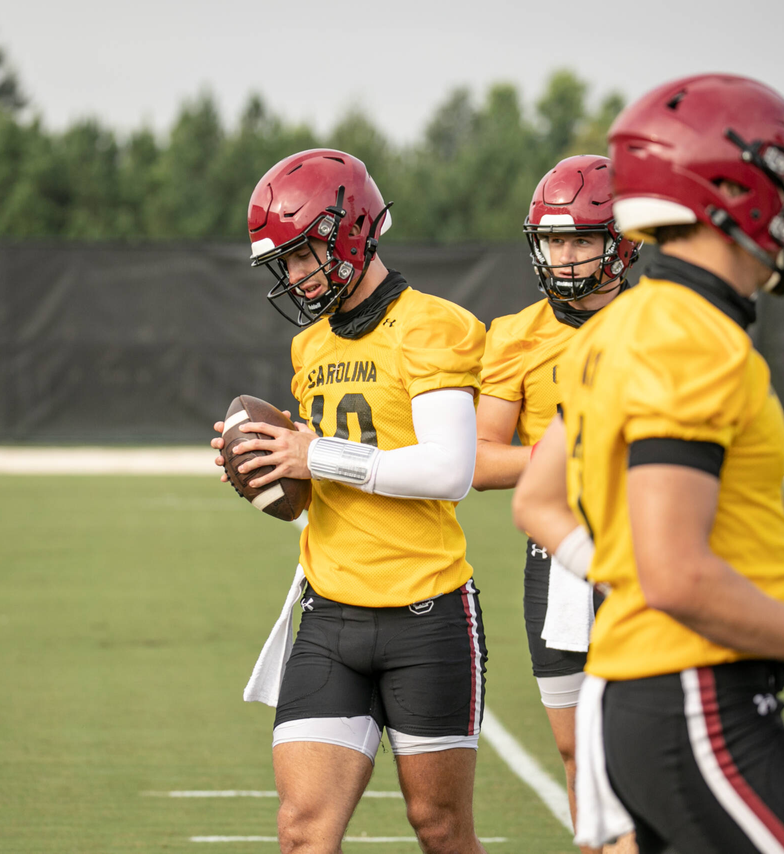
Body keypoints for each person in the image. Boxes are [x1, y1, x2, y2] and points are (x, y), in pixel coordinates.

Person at [513, 73, 784, 854]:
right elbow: (678, 575)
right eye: (780, 182)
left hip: (644, 688)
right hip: (694, 688)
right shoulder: (688, 334)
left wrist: (618, 569)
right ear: (729, 191)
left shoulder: (623, 327)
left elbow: (537, 502)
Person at [211, 149, 490, 854]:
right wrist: (271, 471)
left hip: (425, 613)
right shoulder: (310, 346)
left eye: (304, 254)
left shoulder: (436, 326)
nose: (296, 275)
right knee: (304, 828)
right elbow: (327, 494)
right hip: (330, 612)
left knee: (441, 826)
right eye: (287, 262)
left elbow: (449, 471)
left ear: (351, 231)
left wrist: (314, 454)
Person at [472, 154, 637, 854]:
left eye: (580, 240)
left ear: (620, 243)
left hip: (649, 552)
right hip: (560, 562)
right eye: (553, 241)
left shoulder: (660, 323)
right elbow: (480, 459)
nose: (564, 257)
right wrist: (574, 458)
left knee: (646, 749)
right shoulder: (515, 334)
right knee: (575, 753)